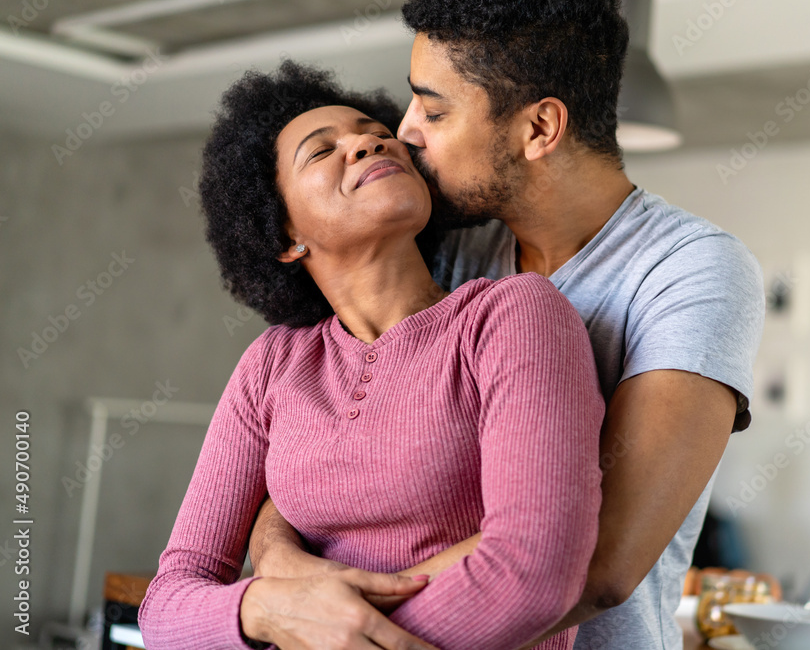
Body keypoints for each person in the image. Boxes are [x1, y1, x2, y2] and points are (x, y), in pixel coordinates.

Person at [250, 0, 766, 648]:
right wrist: (278, 564)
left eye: (434, 112)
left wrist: (343, 621)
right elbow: (313, 450)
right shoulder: (446, 249)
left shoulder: (693, 270)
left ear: (538, 129)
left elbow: (598, 562)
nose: (404, 131)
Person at [136, 61, 606, 650]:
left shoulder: (510, 317)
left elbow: (535, 571)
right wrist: (267, 608)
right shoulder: (273, 366)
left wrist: (330, 630)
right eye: (320, 150)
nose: (369, 140)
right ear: (285, 237)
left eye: (372, 131)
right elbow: (167, 606)